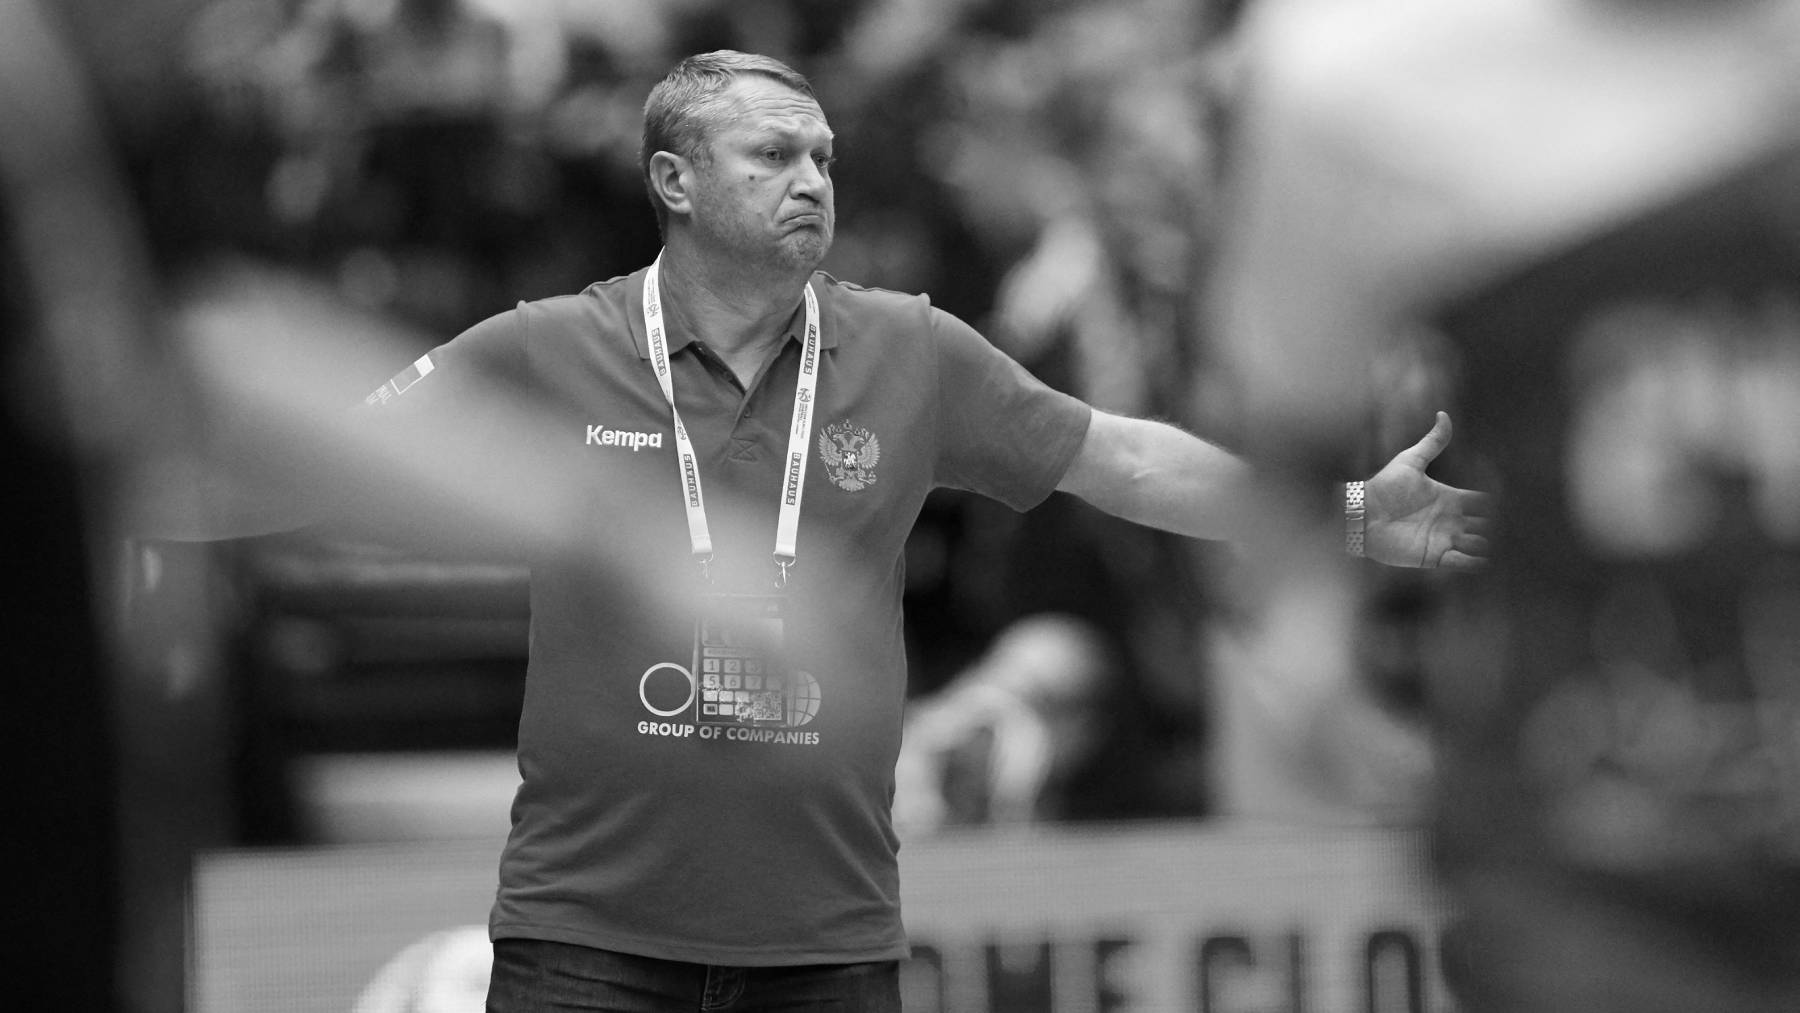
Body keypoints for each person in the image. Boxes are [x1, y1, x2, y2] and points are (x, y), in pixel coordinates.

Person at [198, 49, 1488, 1012]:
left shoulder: (912, 352)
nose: (813, 182)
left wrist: (1350, 515)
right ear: (674, 183)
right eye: (772, 157)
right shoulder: (551, 346)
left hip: (827, 954)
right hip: (582, 947)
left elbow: (1123, 457)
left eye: (822, 157)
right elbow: (310, 466)